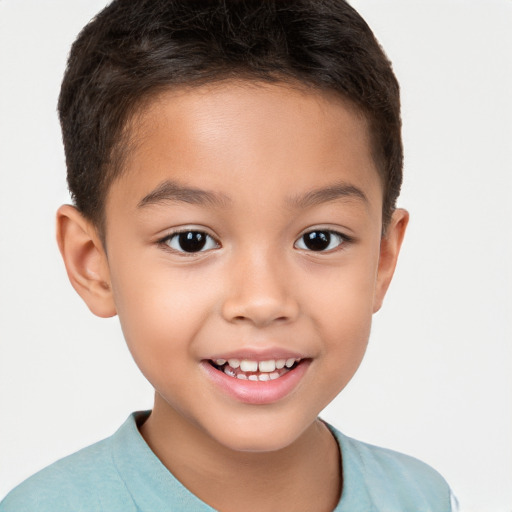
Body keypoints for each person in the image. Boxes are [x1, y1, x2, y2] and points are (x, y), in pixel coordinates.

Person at [0, 1, 456, 510]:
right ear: (93, 263)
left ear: (382, 257)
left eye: (319, 239)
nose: (262, 302)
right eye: (191, 240)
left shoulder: (422, 497)